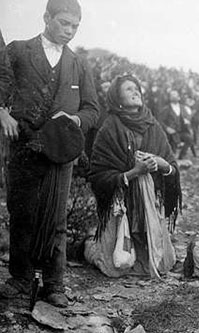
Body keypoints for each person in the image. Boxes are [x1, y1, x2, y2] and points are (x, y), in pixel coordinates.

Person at [0, 0, 99, 307]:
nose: (69, 31)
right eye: (63, 23)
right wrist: (1, 111)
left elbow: (93, 109)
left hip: (61, 150)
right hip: (23, 146)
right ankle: (20, 279)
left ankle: (54, 282)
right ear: (46, 18)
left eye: (74, 26)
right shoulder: (17, 51)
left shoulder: (78, 64)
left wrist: (77, 120)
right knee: (22, 212)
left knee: (56, 217)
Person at [85, 75, 180, 278]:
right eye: (129, 89)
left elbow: (172, 166)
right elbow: (98, 176)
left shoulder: (153, 125)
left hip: (149, 205)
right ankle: (88, 245)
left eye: (137, 88)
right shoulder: (109, 127)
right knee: (113, 267)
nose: (135, 91)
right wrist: (134, 172)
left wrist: (160, 164)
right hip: (121, 205)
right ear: (116, 97)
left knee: (161, 265)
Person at [158, 89, 195, 159]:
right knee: (172, 148)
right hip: (171, 133)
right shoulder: (166, 109)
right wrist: (167, 128)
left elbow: (188, 117)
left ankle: (181, 156)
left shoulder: (183, 108)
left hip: (182, 131)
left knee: (189, 139)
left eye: (175, 95)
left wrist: (187, 121)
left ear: (179, 97)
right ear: (169, 98)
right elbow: (160, 121)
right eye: (172, 95)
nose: (174, 96)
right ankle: (172, 159)